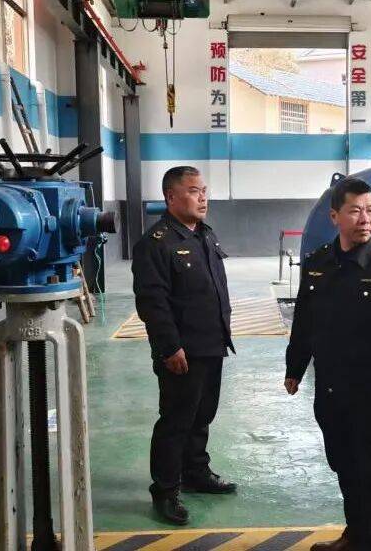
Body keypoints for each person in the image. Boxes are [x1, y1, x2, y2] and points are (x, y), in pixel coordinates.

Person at [285, 177, 371, 550]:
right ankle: (355, 535)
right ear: (335, 216)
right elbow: (305, 321)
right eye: (355, 211)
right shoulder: (318, 264)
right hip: (331, 388)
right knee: (343, 464)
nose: (365, 219)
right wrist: (295, 368)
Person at [132, 166, 236, 525]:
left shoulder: (205, 235)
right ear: (171, 197)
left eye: (204, 190)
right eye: (193, 191)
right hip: (182, 351)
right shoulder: (156, 243)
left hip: (212, 344)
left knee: (202, 415)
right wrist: (169, 347)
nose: (202, 198)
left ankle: (195, 472)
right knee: (176, 421)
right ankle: (165, 490)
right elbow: (152, 302)